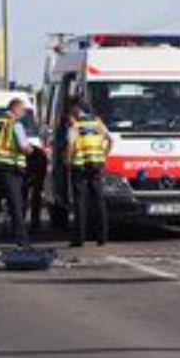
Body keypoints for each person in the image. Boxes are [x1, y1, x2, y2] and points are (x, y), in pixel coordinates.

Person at [0, 97, 41, 250]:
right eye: (23, 110)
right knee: (15, 207)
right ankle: (22, 242)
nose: (23, 113)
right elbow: (24, 147)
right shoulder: (14, 124)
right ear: (15, 109)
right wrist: (32, 151)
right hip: (10, 170)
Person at [67, 99, 113, 248]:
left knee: (79, 202)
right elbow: (110, 140)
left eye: (72, 109)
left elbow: (70, 145)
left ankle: (79, 239)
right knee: (99, 200)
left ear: (77, 109)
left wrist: (68, 161)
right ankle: (102, 237)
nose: (70, 112)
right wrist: (104, 157)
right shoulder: (98, 123)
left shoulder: (75, 125)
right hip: (97, 164)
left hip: (79, 165)